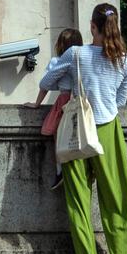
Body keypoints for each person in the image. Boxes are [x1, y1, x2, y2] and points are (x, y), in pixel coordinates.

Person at [39, 3, 127, 254]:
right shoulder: (124, 59)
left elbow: (47, 80)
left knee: (78, 200)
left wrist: (72, 76)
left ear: (92, 27)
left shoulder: (76, 54)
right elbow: (121, 100)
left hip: (76, 132)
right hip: (108, 130)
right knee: (116, 198)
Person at [24, 27, 83, 191]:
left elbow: (45, 85)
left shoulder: (57, 61)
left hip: (64, 100)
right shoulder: (83, 59)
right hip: (81, 101)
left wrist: (36, 104)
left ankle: (60, 171)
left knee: (59, 137)